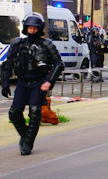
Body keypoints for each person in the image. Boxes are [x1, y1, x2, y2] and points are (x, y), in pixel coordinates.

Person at [1, 12, 65, 155]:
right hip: (22, 82)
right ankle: (25, 136)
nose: (32, 30)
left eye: (35, 28)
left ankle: (28, 143)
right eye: (29, 28)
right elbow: (7, 64)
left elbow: (58, 64)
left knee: (35, 112)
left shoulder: (47, 45)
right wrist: (5, 83)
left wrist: (49, 82)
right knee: (14, 112)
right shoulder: (17, 43)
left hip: (38, 82)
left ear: (39, 28)